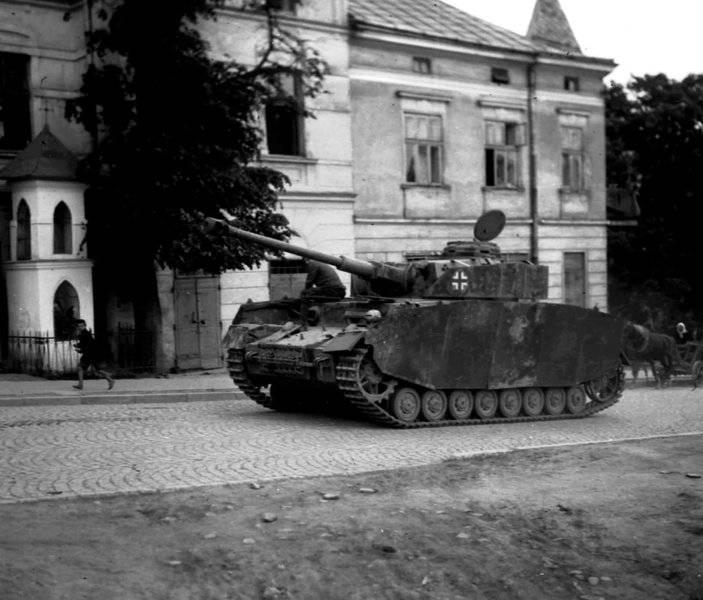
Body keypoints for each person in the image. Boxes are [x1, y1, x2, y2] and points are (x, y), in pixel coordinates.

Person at [73, 320, 114, 391]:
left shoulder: (85, 334)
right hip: (92, 354)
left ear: (85, 326)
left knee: (80, 368)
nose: (80, 327)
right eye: (79, 326)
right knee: (98, 370)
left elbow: (87, 346)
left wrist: (79, 349)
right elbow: (86, 344)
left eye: (82, 326)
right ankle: (110, 379)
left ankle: (80, 385)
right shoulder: (84, 333)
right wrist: (78, 346)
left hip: (89, 355)